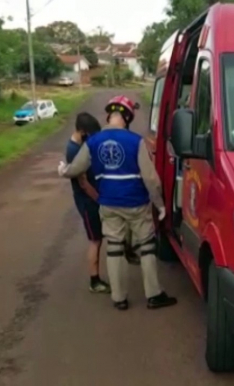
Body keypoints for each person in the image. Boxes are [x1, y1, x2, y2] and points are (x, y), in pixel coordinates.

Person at [57, 96, 177, 311]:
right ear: (128, 118)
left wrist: (63, 170)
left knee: (114, 247)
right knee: (147, 245)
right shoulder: (135, 141)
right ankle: (154, 295)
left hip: (108, 204)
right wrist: (159, 204)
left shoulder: (92, 142)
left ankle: (119, 298)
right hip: (136, 203)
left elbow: (76, 168)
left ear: (109, 116)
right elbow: (150, 178)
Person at [66, 112, 111, 294]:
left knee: (99, 238)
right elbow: (83, 183)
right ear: (83, 132)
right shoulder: (74, 151)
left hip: (92, 198)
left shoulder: (80, 145)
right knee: (95, 240)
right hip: (87, 201)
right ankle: (94, 281)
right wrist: (100, 200)